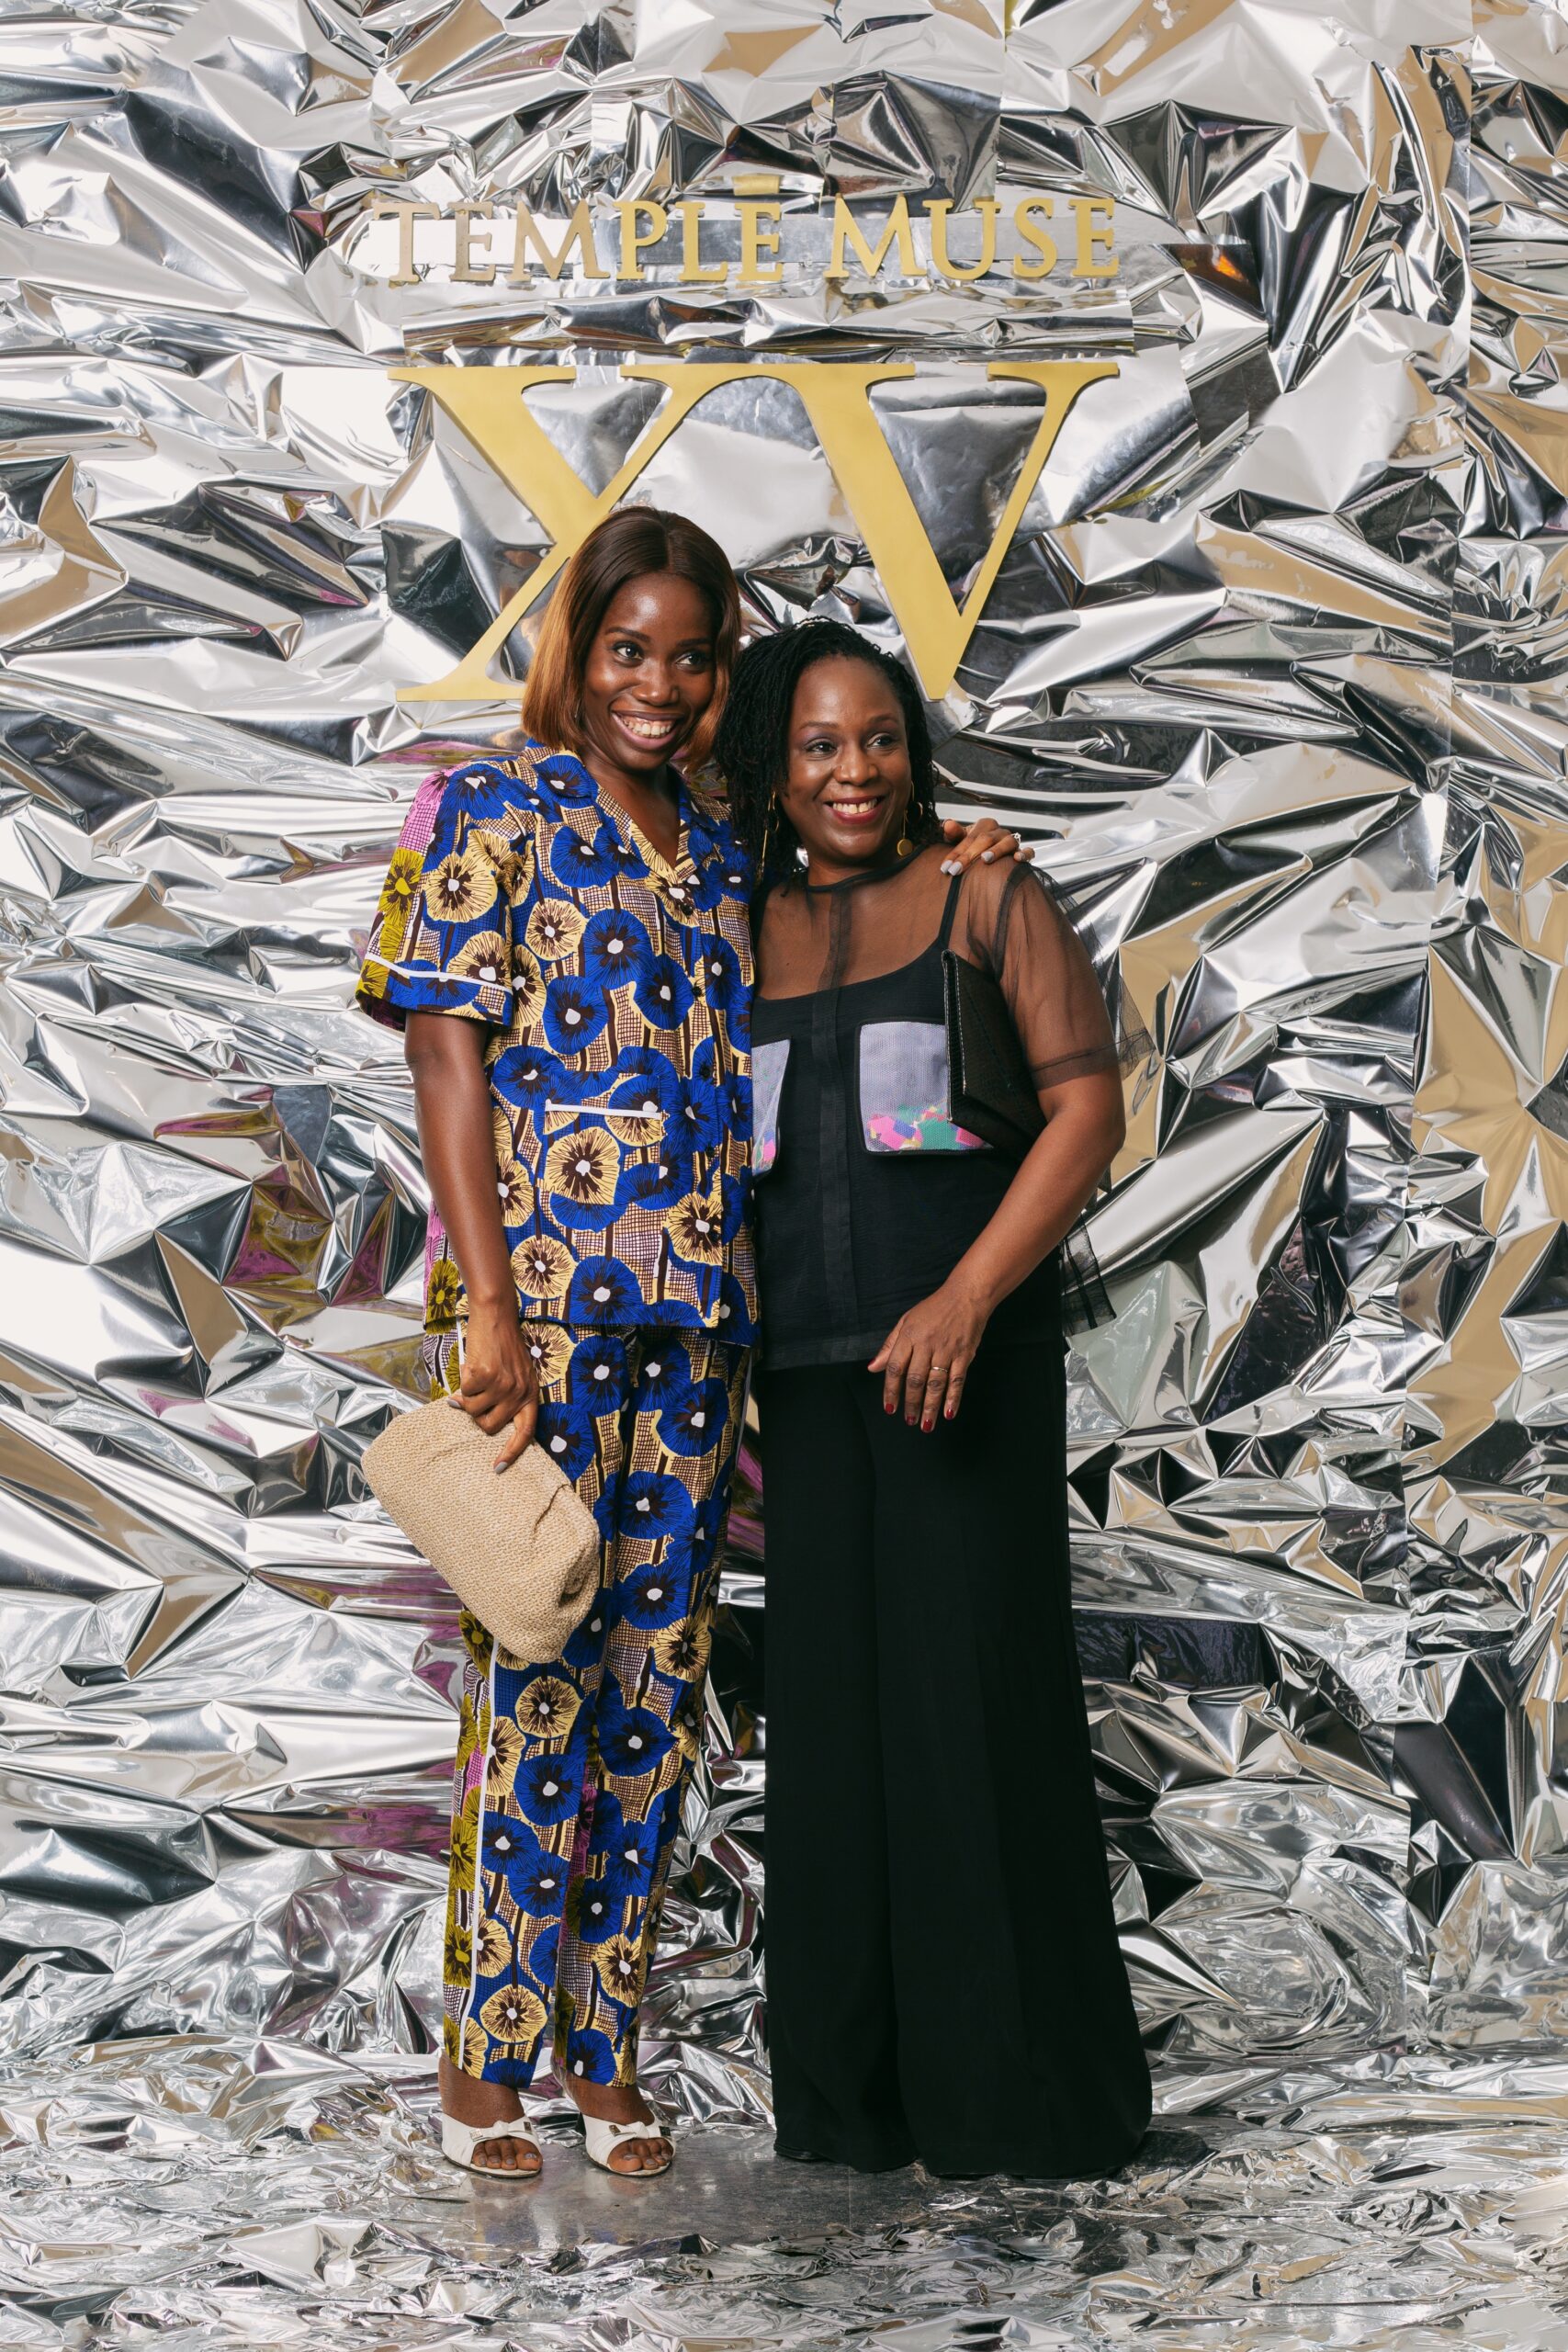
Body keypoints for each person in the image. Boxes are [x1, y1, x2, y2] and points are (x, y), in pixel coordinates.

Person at [356, 511, 1029, 2179]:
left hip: (705, 1318)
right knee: (538, 1674)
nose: (657, 684)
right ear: (578, 649)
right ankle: (485, 2070)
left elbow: (861, 859)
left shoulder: (726, 840)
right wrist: (488, 1303)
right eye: (627, 649)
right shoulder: (491, 807)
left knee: (653, 1696)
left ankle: (605, 2057)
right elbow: (445, 1058)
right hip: (543, 1312)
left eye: (692, 655)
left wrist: (965, 848)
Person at [716, 617, 1153, 2180]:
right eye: (822, 745)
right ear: (775, 766)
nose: (857, 771)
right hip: (803, 1382)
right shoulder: (735, 921)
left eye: (882, 738)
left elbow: (1086, 1111)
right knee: (836, 1739)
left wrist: (965, 1300)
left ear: (915, 749)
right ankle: (851, 2114)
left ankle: (1014, 2108)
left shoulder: (988, 894)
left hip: (965, 1365)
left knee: (973, 1716)